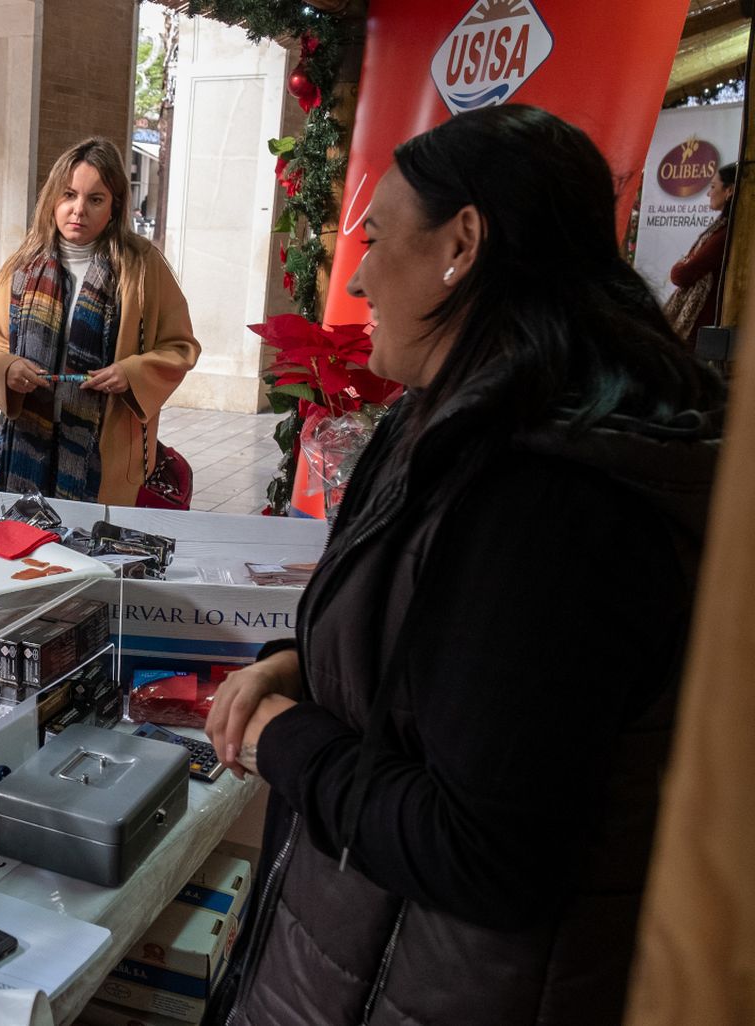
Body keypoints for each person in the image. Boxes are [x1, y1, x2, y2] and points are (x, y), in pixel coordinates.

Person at [206, 105, 725, 1026]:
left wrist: (284, 737)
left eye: (375, 240)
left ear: (464, 242)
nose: (359, 277)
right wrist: (307, 666)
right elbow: (440, 671)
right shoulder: (446, 419)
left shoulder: (551, 498)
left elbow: (486, 848)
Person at [0, 137, 198, 504]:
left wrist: (132, 373)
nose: (79, 210)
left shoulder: (140, 266)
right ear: (53, 200)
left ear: (114, 206)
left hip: (104, 455)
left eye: (95, 199)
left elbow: (180, 346)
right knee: (25, 554)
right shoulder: (23, 265)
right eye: (69, 195)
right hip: (24, 448)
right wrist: (7, 367)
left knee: (93, 551)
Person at [663, 162, 736, 345]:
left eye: (713, 187)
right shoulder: (720, 230)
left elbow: (681, 274)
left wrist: (684, 263)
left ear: (729, 191)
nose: (709, 193)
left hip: (704, 329)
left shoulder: (725, 234)